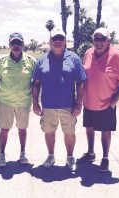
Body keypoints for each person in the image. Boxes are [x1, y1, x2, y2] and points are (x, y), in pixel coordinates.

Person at [32, 28, 87, 172]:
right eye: (55, 38)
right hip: (48, 105)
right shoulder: (42, 60)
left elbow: (81, 82)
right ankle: (50, 156)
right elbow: (36, 83)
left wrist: (79, 103)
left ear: (65, 41)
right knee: (49, 132)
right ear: (50, 41)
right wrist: (35, 103)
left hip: (68, 105)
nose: (57, 41)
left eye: (60, 38)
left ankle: (70, 157)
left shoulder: (74, 58)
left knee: (69, 132)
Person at [77, 27, 119, 172]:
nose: (99, 42)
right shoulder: (88, 53)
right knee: (89, 128)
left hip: (106, 103)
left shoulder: (118, 56)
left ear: (108, 40)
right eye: (96, 39)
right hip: (88, 101)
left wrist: (114, 101)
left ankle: (105, 157)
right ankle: (90, 153)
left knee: (105, 131)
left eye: (102, 39)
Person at [0, 32, 36, 167]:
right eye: (13, 43)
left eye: (18, 43)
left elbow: (35, 81)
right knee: (4, 129)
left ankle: (22, 153)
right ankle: (1, 154)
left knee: (22, 128)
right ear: (9, 45)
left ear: (23, 44)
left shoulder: (31, 61)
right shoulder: (2, 61)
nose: (16, 45)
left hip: (23, 102)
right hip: (5, 101)